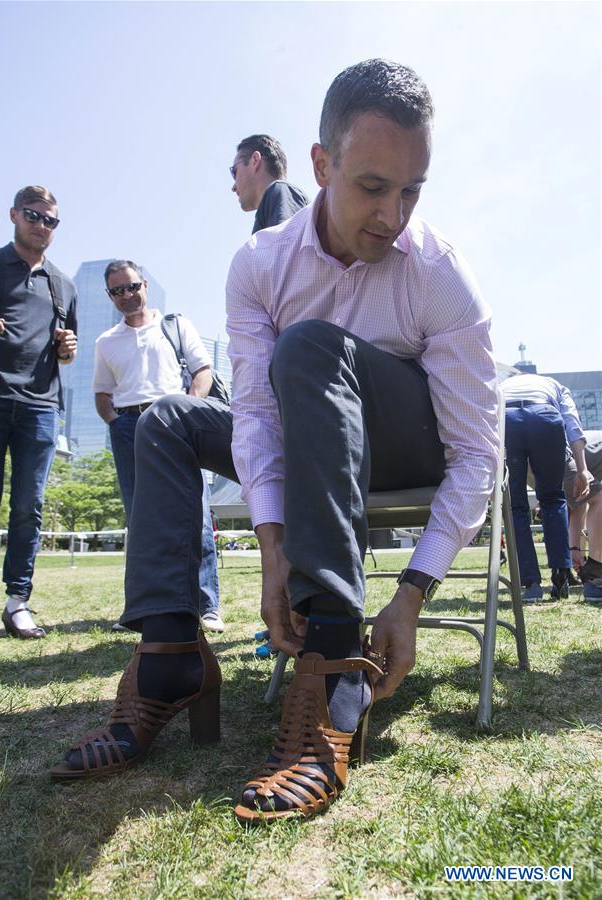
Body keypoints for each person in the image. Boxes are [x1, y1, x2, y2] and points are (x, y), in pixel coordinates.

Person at [51, 59, 499, 825]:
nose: (393, 216)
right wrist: (270, 548)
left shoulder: (436, 271)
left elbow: (475, 454)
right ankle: (168, 657)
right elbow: (253, 415)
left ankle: (332, 663)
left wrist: (412, 591)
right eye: (371, 187)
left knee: (310, 348)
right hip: (303, 438)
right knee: (161, 419)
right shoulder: (260, 264)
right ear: (321, 166)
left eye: (411, 190)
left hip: (401, 443)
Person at [0, 185, 77, 647]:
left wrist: (68, 350)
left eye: (51, 220)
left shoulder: (62, 284)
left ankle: (17, 601)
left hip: (41, 406)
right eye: (34, 216)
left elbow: (64, 349)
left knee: (30, 506)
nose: (42, 226)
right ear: (13, 215)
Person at [92, 260, 225, 633]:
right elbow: (102, 394)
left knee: (194, 512)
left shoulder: (175, 325)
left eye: (131, 286)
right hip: (128, 425)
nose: (126, 295)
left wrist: (189, 409)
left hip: (174, 422)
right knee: (140, 518)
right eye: (117, 290)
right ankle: (145, 607)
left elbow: (203, 371)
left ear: (144, 285)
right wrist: (117, 423)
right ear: (110, 296)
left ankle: (207, 604)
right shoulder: (105, 342)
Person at [502, 373, 590, 602]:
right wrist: (582, 469)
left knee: (516, 507)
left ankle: (531, 584)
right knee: (553, 499)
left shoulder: (503, 385)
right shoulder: (557, 386)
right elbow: (572, 423)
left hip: (506, 419)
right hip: (545, 417)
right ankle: (561, 573)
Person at [230, 134, 309, 233]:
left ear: (255, 160)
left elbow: (286, 245)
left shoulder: (280, 190)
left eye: (234, 171)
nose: (233, 187)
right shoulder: (271, 208)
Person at [565, 434, 602, 601]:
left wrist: (574, 548)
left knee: (585, 500)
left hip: (540, 456)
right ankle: (595, 571)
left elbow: (578, 505)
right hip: (564, 457)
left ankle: (569, 567)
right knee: (600, 500)